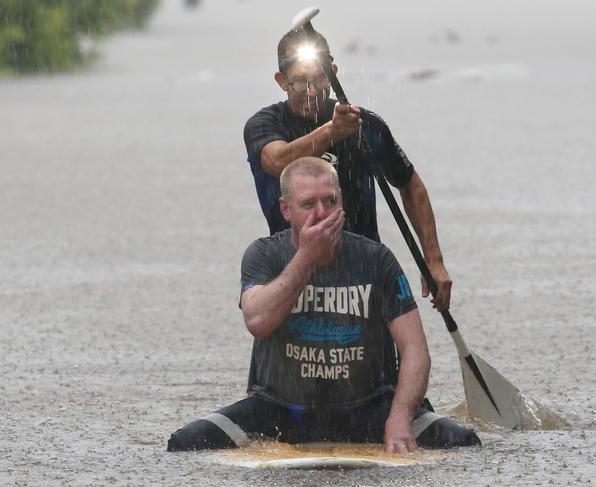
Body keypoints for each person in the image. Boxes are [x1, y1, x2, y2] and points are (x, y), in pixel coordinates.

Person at [167, 157, 480, 452]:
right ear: (286, 210)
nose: (322, 212)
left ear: (341, 203)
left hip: (366, 408)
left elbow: (415, 350)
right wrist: (306, 257)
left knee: (463, 441)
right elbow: (257, 320)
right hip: (280, 410)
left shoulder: (376, 259)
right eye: (308, 204)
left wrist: (399, 417)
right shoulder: (264, 255)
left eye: (330, 201)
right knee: (185, 443)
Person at [243, 26, 452, 313]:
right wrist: (332, 131)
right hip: (293, 273)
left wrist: (434, 259)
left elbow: (410, 185)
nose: (312, 91)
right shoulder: (264, 125)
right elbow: (278, 162)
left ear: (333, 72)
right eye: (299, 82)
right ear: (281, 81)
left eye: (319, 79)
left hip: (363, 274)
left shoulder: (365, 125)